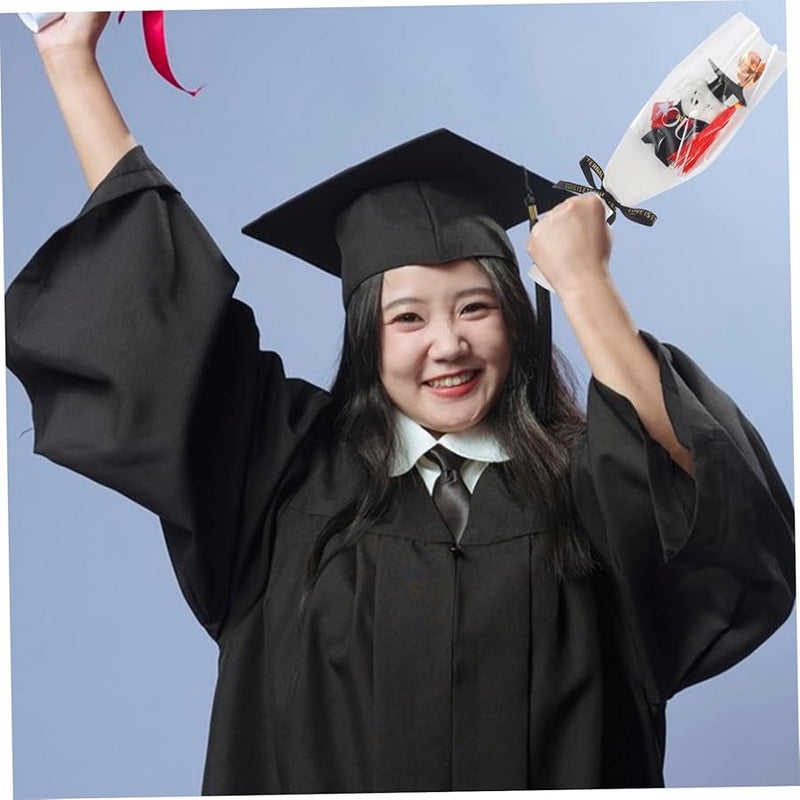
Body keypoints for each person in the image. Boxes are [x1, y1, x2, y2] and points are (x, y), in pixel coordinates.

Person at [5, 11, 795, 794]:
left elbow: (719, 511)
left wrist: (585, 282)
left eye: (476, 309)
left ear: (517, 323)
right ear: (365, 337)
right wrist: (71, 61)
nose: (446, 344)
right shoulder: (278, 481)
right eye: (407, 317)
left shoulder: (592, 494)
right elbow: (163, 305)